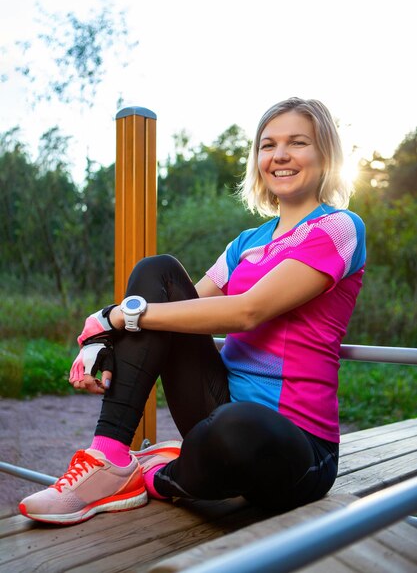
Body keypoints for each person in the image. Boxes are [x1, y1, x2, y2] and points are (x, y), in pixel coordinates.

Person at [19, 97, 366, 525]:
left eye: (297, 142)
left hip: (294, 444)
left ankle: (162, 476)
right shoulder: (247, 242)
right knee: (157, 271)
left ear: (325, 154)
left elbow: (246, 312)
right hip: (216, 405)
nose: (279, 156)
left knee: (235, 427)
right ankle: (108, 460)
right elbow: (176, 308)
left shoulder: (339, 227)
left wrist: (114, 317)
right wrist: (108, 337)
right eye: (267, 145)